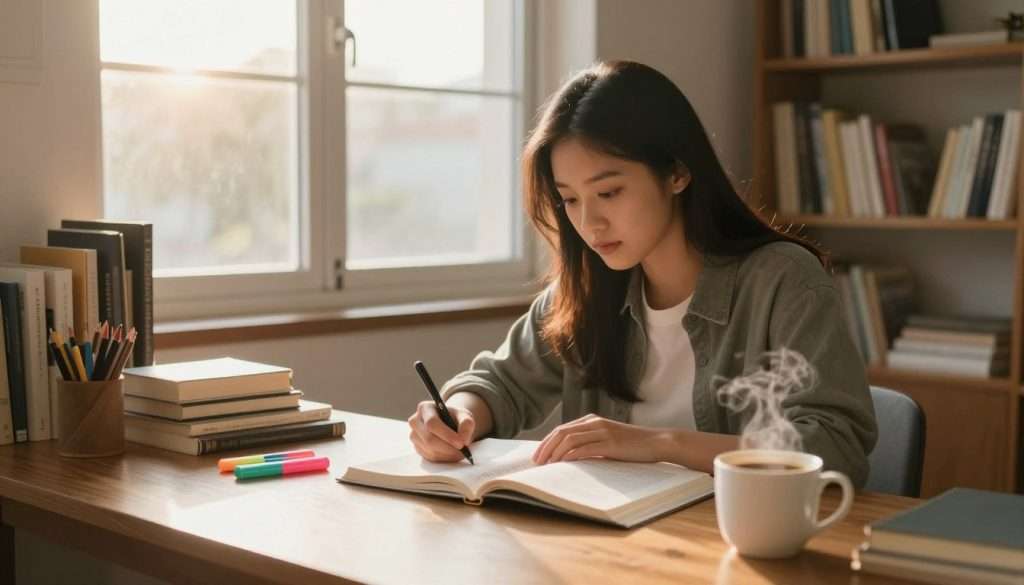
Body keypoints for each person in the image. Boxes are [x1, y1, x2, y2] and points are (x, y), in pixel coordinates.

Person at [407, 60, 877, 486]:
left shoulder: (782, 280)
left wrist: (657, 444)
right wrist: (455, 417)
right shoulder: (586, 289)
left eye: (609, 192)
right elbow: (501, 384)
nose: (589, 224)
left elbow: (833, 449)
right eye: (570, 199)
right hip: (615, 551)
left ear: (676, 172)